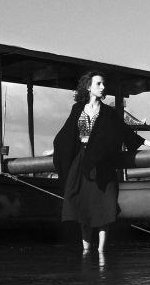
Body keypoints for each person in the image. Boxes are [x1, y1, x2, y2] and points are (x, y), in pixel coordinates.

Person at [52, 70, 144, 253]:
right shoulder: (77, 108)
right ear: (88, 87)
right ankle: (86, 250)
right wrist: (55, 149)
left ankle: (101, 252)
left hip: (102, 164)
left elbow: (125, 133)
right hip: (82, 164)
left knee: (104, 205)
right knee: (83, 204)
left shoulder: (109, 112)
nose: (103, 87)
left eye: (103, 84)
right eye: (98, 84)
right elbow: (67, 134)